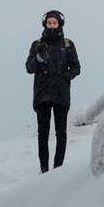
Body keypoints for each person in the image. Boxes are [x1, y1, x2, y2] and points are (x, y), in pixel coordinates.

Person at [25, 9, 80, 173]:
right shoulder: (37, 44)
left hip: (61, 93)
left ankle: (58, 168)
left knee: (61, 132)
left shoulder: (67, 44)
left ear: (60, 24)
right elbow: (29, 68)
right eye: (49, 23)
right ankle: (44, 168)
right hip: (42, 94)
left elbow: (76, 66)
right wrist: (39, 57)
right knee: (43, 133)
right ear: (44, 24)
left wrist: (67, 76)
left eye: (55, 23)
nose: (52, 26)